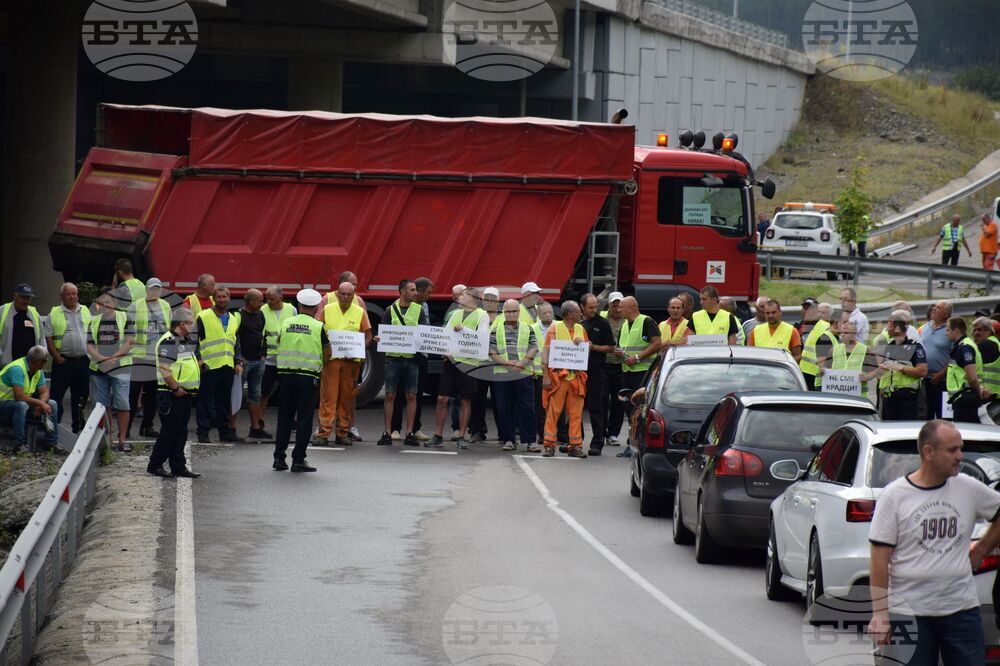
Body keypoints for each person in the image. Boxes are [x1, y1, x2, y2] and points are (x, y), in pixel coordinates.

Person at [869, 420, 1000, 665]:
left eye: (960, 449)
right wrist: (880, 613)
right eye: (952, 450)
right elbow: (879, 557)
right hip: (908, 612)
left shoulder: (968, 488)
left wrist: (981, 549)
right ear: (928, 452)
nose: (960, 456)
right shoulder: (895, 496)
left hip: (961, 610)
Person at [273, 289, 331, 473]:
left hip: (286, 376)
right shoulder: (318, 327)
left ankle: (279, 458)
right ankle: (298, 460)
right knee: (304, 420)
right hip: (307, 378)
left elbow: (279, 343)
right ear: (316, 308)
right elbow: (328, 353)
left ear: (299, 306)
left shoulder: (286, 323)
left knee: (284, 418)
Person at [430, 287, 489, 449]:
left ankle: (461, 436)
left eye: (463, 295)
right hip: (451, 362)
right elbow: (446, 335)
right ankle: (438, 435)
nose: (459, 297)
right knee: (442, 398)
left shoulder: (482, 315)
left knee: (465, 399)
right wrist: (446, 351)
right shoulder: (455, 314)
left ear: (471, 297)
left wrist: (464, 329)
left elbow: (482, 338)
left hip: (468, 364)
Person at [147, 309, 201, 479]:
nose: (193, 326)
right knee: (169, 432)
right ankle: (155, 465)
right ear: (181, 324)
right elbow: (164, 369)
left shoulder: (184, 340)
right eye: (190, 322)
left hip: (183, 394)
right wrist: (175, 389)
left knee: (180, 432)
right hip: (171, 394)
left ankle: (178, 466)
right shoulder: (169, 341)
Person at [316, 281, 371, 447]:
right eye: (343, 294)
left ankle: (342, 432)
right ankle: (323, 433)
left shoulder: (360, 312)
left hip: (351, 362)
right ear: (337, 294)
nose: (346, 297)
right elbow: (317, 331)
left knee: (346, 398)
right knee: (328, 397)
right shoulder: (327, 309)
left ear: (353, 296)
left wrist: (360, 349)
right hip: (331, 361)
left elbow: (368, 335)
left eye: (349, 294)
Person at [379, 279, 429, 448]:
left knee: (411, 396)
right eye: (412, 290)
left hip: (411, 359)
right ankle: (387, 432)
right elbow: (384, 331)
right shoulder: (390, 310)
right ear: (402, 291)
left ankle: (409, 433)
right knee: (390, 395)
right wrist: (380, 338)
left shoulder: (419, 310)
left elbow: (424, 333)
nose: (416, 293)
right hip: (393, 359)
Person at [87, 289, 134, 451]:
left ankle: (122, 440)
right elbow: (89, 346)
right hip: (99, 370)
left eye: (108, 302)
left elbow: (129, 342)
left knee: (123, 405)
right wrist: (102, 360)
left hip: (120, 368)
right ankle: (108, 439)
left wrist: (112, 359)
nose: (105, 305)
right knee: (102, 406)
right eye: (102, 303)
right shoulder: (94, 321)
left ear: (114, 303)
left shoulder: (125, 318)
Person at [195, 286, 243, 444]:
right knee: (204, 401)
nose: (222, 299)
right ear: (213, 298)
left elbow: (236, 342)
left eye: (224, 296)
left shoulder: (233, 318)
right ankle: (203, 432)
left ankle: (224, 432)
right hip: (208, 366)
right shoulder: (203, 316)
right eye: (219, 297)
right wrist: (199, 359)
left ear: (229, 298)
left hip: (227, 366)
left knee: (223, 402)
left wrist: (237, 361)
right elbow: (194, 340)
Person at [541, 301, 589, 458]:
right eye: (578, 311)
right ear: (570, 315)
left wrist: (583, 344)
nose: (581, 313)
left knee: (576, 414)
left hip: (576, 378)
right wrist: (546, 376)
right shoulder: (554, 329)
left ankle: (575, 446)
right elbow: (546, 353)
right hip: (558, 378)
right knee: (553, 412)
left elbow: (586, 351)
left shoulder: (581, 329)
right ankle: (549, 445)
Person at [490, 299, 539, 452]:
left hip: (523, 374)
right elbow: (492, 352)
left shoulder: (528, 328)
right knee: (504, 408)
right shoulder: (496, 330)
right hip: (503, 374)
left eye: (514, 311)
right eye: (508, 311)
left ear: (519, 312)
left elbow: (533, 348)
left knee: (527, 408)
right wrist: (507, 364)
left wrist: (523, 363)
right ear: (503, 313)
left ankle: (530, 441)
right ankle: (509, 440)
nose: (511, 314)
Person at [390, 277, 433, 441]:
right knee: (399, 393)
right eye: (427, 292)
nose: (429, 296)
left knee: (417, 394)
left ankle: (416, 428)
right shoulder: (395, 307)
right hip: (401, 356)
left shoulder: (424, 307)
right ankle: (395, 428)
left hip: (420, 355)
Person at [128, 277, 172, 439]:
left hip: (157, 357)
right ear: (146, 290)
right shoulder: (136, 306)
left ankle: (147, 426)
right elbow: (127, 330)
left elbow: (169, 329)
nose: (155, 291)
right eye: (152, 288)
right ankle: (126, 428)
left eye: (157, 288)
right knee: (133, 394)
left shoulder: (165, 306)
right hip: (139, 357)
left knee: (153, 395)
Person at [618, 296, 661, 457]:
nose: (619, 310)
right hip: (627, 371)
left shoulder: (646, 321)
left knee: (640, 409)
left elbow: (657, 343)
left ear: (631, 307)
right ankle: (632, 443)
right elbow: (624, 346)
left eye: (621, 307)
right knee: (629, 409)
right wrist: (620, 353)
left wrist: (637, 357)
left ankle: (638, 445)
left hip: (642, 372)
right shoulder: (624, 325)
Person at [45, 282, 91, 433]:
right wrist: (56, 357)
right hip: (63, 361)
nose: (72, 297)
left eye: (74, 294)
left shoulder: (85, 310)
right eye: (68, 294)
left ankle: (78, 428)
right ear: (61, 296)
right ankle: (54, 428)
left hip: (83, 361)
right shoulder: (55, 313)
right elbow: (49, 338)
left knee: (81, 396)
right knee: (56, 396)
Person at [0, 346, 58, 450]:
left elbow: (44, 391)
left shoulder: (37, 371)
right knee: (21, 405)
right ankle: (19, 445)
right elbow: (19, 396)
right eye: (45, 361)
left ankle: (51, 444)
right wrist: (40, 403)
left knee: (52, 404)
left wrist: (41, 404)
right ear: (39, 361)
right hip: (3, 404)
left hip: (18, 405)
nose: (46, 363)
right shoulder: (17, 369)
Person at [875, 312, 928, 420]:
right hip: (890, 398)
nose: (887, 329)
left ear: (898, 328)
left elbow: (923, 371)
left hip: (908, 398)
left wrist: (901, 368)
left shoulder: (914, 346)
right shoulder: (889, 346)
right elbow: (885, 371)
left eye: (889, 326)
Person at [580, 293, 615, 456]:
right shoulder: (578, 323)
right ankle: (576, 441)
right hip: (578, 372)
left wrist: (593, 347)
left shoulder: (603, 323)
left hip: (596, 371)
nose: (594, 310)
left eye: (596, 307)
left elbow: (611, 347)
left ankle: (597, 442)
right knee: (576, 408)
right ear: (582, 307)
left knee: (596, 407)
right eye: (591, 307)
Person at [259, 286, 296, 430]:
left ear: (281, 297)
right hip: (268, 360)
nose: (269, 301)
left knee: (288, 393)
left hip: (286, 360)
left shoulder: (291, 310)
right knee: (264, 392)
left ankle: (289, 422)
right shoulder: (263, 310)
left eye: (272, 299)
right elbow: (261, 334)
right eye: (267, 298)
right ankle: (259, 422)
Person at [469, 287, 502, 443]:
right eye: (486, 298)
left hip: (498, 365)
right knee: (477, 399)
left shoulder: (503, 318)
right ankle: (477, 431)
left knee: (500, 401)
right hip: (480, 364)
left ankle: (504, 432)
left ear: (498, 302)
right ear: (482, 301)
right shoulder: (475, 316)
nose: (489, 302)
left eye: (493, 299)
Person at [237, 289, 269, 441]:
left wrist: (263, 354)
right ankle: (231, 428)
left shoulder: (260, 315)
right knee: (236, 395)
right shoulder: (238, 316)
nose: (262, 303)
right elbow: (234, 337)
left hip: (258, 360)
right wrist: (239, 357)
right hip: (245, 362)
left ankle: (255, 428)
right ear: (250, 301)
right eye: (260, 301)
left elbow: (263, 335)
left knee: (255, 395)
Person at [817, 321, 876, 398]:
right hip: (837, 397)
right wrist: (823, 372)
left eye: (846, 332)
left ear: (854, 334)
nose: (842, 335)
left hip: (858, 398)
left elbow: (875, 370)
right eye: (841, 332)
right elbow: (826, 369)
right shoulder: (834, 350)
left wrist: (866, 377)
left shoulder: (865, 350)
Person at [945, 317, 987, 423]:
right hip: (964, 397)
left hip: (965, 398)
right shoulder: (963, 345)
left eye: (948, 330)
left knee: (965, 430)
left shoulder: (965, 348)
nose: (946, 333)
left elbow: (972, 377)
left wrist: (979, 390)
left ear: (955, 331)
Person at [920, 301, 953, 420]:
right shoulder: (925, 328)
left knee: (943, 418)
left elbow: (954, 356)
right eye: (934, 306)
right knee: (926, 417)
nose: (934, 309)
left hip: (943, 382)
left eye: (938, 308)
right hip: (925, 380)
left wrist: (941, 374)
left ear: (946, 314)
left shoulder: (950, 330)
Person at [601, 293, 626, 448]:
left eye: (619, 306)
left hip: (622, 366)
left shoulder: (629, 320)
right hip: (604, 365)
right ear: (608, 305)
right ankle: (601, 432)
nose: (617, 309)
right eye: (614, 305)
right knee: (602, 399)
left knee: (619, 401)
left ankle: (613, 434)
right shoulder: (602, 318)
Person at [528, 301, 554, 454]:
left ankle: (558, 435)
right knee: (541, 407)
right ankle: (543, 436)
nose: (548, 315)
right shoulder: (532, 328)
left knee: (556, 406)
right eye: (544, 313)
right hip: (538, 373)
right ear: (538, 314)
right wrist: (531, 368)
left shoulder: (559, 326)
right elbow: (529, 349)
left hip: (556, 372)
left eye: (550, 312)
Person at [0, 283, 43, 366]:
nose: (26, 301)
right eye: (23, 298)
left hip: (31, 365)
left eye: (28, 298)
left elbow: (42, 338)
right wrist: (1, 357)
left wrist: (41, 356)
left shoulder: (34, 313)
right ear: (15, 296)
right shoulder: (2, 311)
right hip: (8, 365)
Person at [800, 301, 836, 390]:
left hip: (816, 371)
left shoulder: (827, 327)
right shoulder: (817, 324)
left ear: (830, 316)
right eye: (818, 311)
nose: (819, 314)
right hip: (805, 369)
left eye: (823, 312)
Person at [931, 215, 973, 287]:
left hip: (956, 249)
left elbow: (963, 239)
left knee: (954, 266)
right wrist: (935, 246)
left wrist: (968, 250)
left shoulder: (960, 228)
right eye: (957, 221)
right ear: (953, 220)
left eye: (959, 220)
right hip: (947, 249)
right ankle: (942, 282)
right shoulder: (945, 227)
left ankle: (952, 283)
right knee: (944, 265)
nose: (958, 222)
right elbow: (940, 237)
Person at [972, 316, 1000, 399]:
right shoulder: (996, 343)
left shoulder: (986, 344)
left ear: (989, 331)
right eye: (974, 330)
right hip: (994, 393)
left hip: (987, 394)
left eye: (979, 330)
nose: (976, 333)